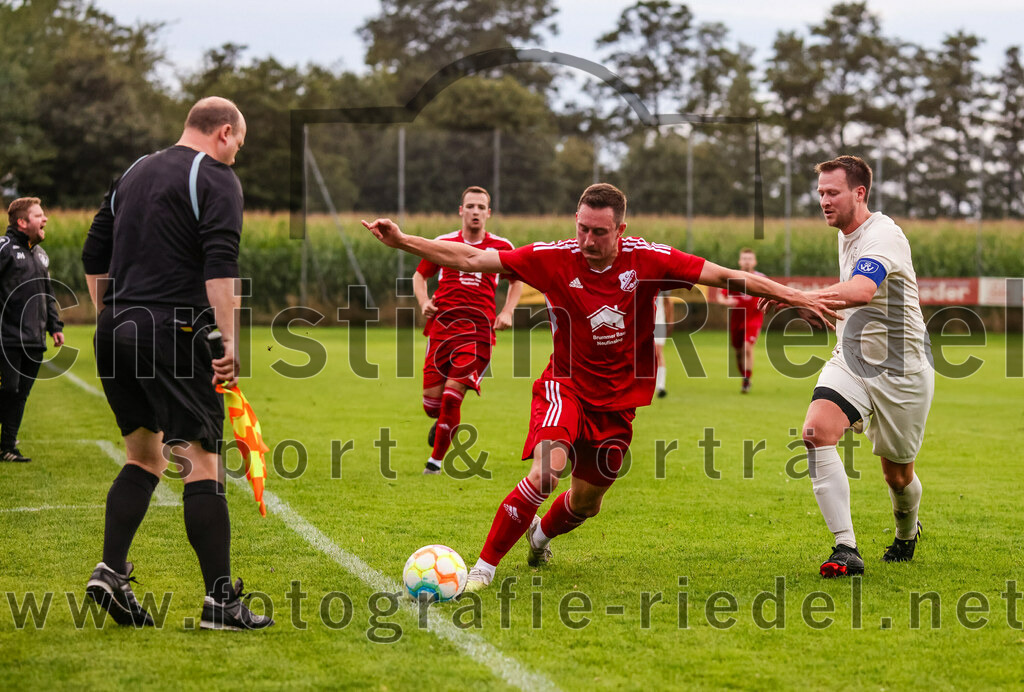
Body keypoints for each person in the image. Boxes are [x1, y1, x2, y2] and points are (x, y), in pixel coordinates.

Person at [364, 183, 840, 592]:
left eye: (599, 232)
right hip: (565, 385)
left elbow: (728, 275)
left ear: (620, 231)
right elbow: (471, 256)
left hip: (618, 405)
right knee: (547, 472)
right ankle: (481, 570)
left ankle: (539, 539)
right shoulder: (552, 259)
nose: (587, 240)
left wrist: (796, 295)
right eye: (582, 228)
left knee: (586, 502)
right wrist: (404, 241)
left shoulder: (649, 260)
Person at [81, 97, 273, 629]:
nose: (236, 155)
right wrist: (230, 340)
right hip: (174, 330)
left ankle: (111, 572)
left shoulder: (135, 171)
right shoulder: (214, 177)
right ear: (225, 132)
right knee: (200, 461)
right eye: (239, 144)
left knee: (144, 457)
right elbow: (220, 261)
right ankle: (220, 603)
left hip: (114, 325)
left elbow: (94, 253)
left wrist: (114, 316)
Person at [799, 155, 933, 578]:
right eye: (820, 192)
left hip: (902, 373)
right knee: (816, 431)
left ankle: (907, 531)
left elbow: (859, 290)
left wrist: (806, 297)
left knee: (897, 476)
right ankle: (846, 547)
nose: (823, 200)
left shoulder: (883, 235)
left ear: (860, 193)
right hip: (852, 360)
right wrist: (813, 305)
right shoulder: (846, 231)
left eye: (832, 192)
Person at [413, 186, 522, 474]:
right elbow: (420, 274)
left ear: (489, 213)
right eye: (470, 206)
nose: (475, 211)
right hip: (441, 330)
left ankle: (434, 464)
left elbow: (516, 279)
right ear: (461, 211)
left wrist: (508, 310)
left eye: (480, 207)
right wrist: (424, 301)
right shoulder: (443, 242)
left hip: (477, 334)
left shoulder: (502, 246)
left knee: (452, 396)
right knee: (431, 406)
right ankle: (444, 423)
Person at [0, 198, 64, 462]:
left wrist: (54, 326)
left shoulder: (40, 255)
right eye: (39, 215)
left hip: (34, 339)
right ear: (22, 222)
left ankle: (7, 448)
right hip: (6, 337)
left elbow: (47, 295)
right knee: (8, 389)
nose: (45, 219)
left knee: (21, 394)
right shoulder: (3, 249)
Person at [720, 248, 765, 393]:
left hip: (754, 319)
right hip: (737, 319)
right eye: (744, 258)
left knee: (747, 347)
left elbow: (772, 293)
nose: (747, 261)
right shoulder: (734, 278)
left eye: (749, 259)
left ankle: (746, 380)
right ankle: (745, 377)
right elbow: (721, 295)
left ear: (755, 261)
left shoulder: (761, 278)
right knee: (738, 352)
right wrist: (726, 301)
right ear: (740, 261)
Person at [653, 291, 672, 398]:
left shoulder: (662, 283)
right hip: (644, 323)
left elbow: (668, 302)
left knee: (658, 352)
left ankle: (660, 386)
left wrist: (669, 322)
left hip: (659, 323)